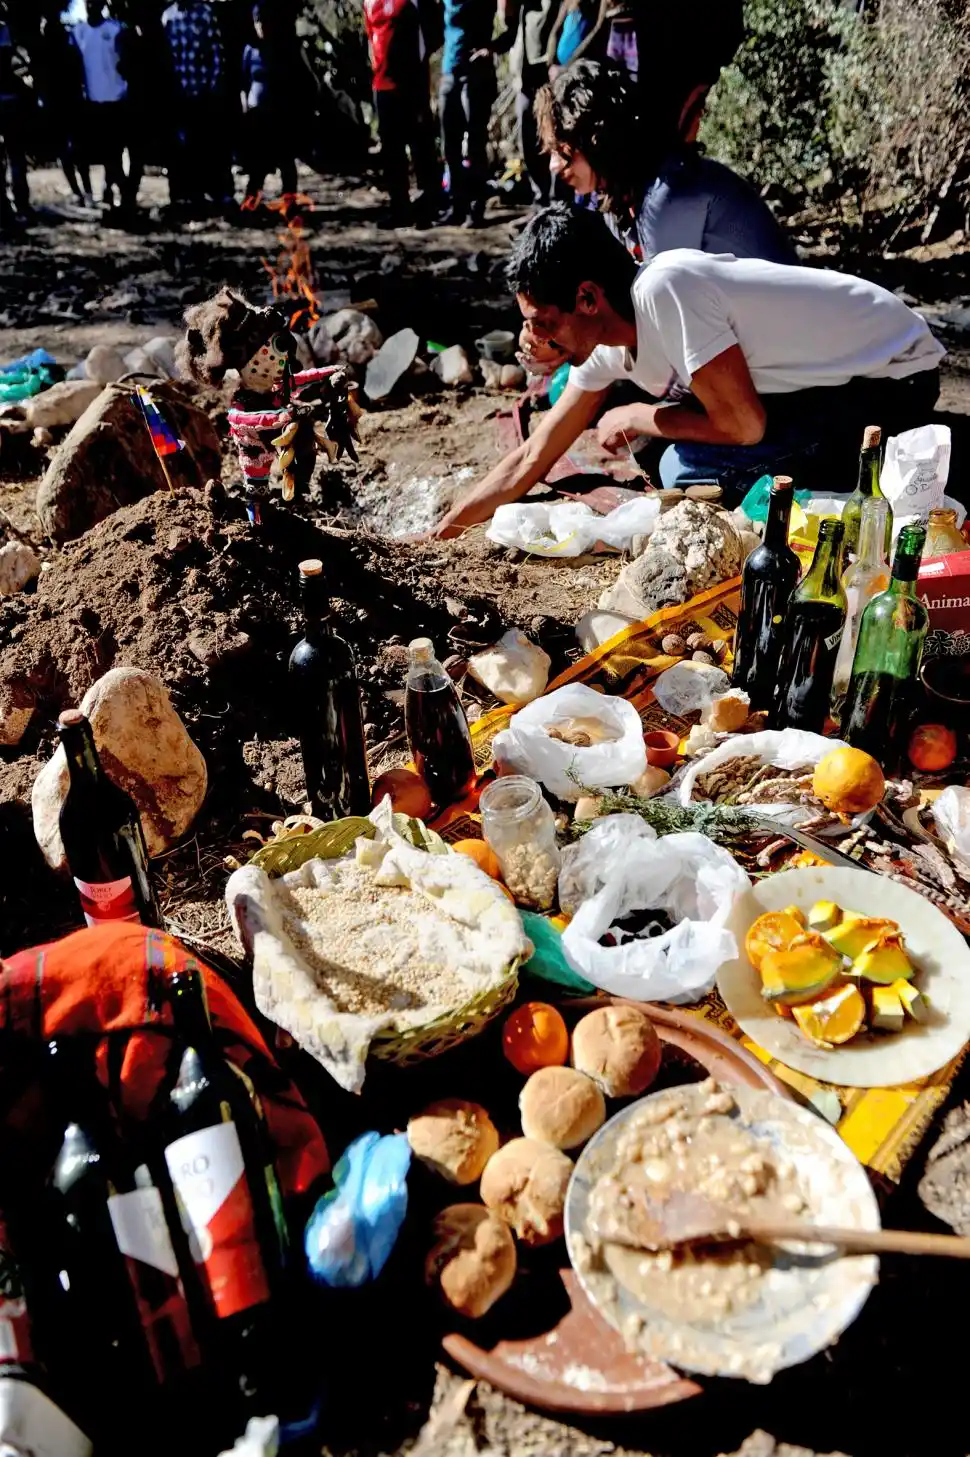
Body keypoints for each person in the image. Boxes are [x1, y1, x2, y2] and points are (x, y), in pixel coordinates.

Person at [431, 205, 944, 534]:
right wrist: (448, 528)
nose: (538, 339)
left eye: (545, 323)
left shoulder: (666, 288)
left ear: (587, 298)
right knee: (671, 456)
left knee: (680, 465)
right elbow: (532, 457)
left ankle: (846, 493)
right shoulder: (610, 344)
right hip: (825, 384)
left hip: (893, 380)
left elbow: (744, 426)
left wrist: (640, 413)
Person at [534, 60, 795, 265]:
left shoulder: (667, 193)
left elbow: (662, 312)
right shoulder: (626, 194)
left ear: (596, 141)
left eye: (563, 150)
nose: (555, 166)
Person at [363, 0, 442, 227]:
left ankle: (428, 207)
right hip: (382, 85)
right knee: (391, 149)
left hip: (411, 83)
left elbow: (433, 36)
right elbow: (371, 37)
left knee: (420, 145)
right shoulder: (369, 2)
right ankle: (400, 209)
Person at [439, 0, 510, 227]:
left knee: (475, 144)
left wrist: (492, 48)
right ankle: (456, 206)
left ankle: (475, 208)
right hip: (449, 71)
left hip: (475, 74)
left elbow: (514, 23)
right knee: (450, 144)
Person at [161, 0, 232, 213]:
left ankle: (218, 195)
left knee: (208, 144)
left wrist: (212, 84)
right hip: (178, 93)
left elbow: (216, 52)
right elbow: (167, 57)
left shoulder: (205, 13)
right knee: (182, 148)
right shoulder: (167, 17)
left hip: (203, 92)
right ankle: (184, 197)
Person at [71, 3, 138, 211]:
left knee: (114, 152)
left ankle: (114, 191)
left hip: (115, 100)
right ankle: (91, 194)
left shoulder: (115, 29)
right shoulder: (78, 31)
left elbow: (125, 61)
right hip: (91, 102)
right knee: (87, 152)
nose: (92, 4)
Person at [35, 2, 93, 209]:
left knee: (66, 151)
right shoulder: (69, 47)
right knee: (78, 150)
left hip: (58, 103)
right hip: (71, 101)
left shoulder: (44, 51)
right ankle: (85, 190)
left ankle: (80, 191)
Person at [241, 2, 299, 206]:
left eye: (265, 22)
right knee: (257, 163)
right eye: (258, 22)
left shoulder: (283, 50)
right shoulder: (250, 51)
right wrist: (245, 107)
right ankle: (250, 203)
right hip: (257, 114)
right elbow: (244, 81)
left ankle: (290, 202)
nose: (262, 26)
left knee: (286, 161)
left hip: (279, 112)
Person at [504, 0, 559, 206]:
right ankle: (541, 198)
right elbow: (510, 24)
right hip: (523, 75)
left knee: (553, 137)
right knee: (527, 140)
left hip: (545, 72)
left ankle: (555, 200)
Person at [0, 8, 30, 228]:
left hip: (8, 99)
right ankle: (18, 202)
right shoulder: (4, 31)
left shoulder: (4, 31)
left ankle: (12, 202)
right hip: (9, 99)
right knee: (15, 154)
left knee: (13, 154)